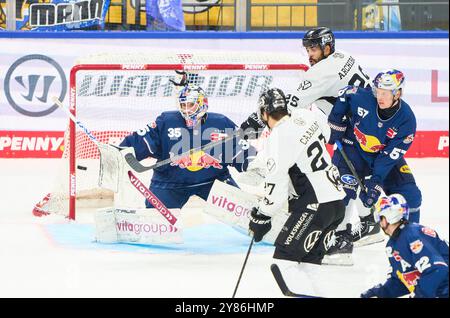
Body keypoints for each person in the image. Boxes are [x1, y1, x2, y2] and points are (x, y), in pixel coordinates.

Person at [240, 26, 376, 260]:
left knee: (342, 179)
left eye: (313, 49)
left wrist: (255, 121)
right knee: (356, 177)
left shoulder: (318, 74)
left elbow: (286, 110)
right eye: (307, 49)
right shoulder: (345, 58)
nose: (309, 54)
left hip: (354, 131)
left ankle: (341, 237)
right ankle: (367, 220)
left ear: (327, 47)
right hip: (371, 124)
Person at [327, 69, 423, 262]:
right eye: (378, 91)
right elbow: (344, 94)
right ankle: (339, 239)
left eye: (386, 93)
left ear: (398, 93)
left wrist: (375, 183)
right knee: (343, 192)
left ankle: (410, 244)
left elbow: (388, 158)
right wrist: (336, 124)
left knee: (412, 195)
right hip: (352, 148)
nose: (380, 96)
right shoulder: (362, 97)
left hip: (382, 157)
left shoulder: (407, 120)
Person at [247, 87, 346, 270]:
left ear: (264, 112)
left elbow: (277, 184)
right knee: (310, 264)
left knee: (285, 257)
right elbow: (328, 134)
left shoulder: (277, 138)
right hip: (338, 204)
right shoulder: (307, 115)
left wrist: (262, 215)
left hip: (315, 206)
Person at [119, 84, 254, 209]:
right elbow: (142, 140)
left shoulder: (221, 123)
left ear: (202, 104)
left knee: (245, 213)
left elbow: (242, 151)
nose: (187, 110)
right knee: (155, 223)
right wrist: (121, 152)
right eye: (183, 105)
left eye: (191, 105)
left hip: (213, 181)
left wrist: (256, 165)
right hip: (170, 183)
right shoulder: (167, 121)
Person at [361, 194, 448, 298]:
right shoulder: (393, 244)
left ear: (387, 218)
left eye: (380, 218)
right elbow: (402, 280)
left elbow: (437, 269)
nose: (379, 223)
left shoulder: (413, 235)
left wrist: (420, 294)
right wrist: (381, 292)